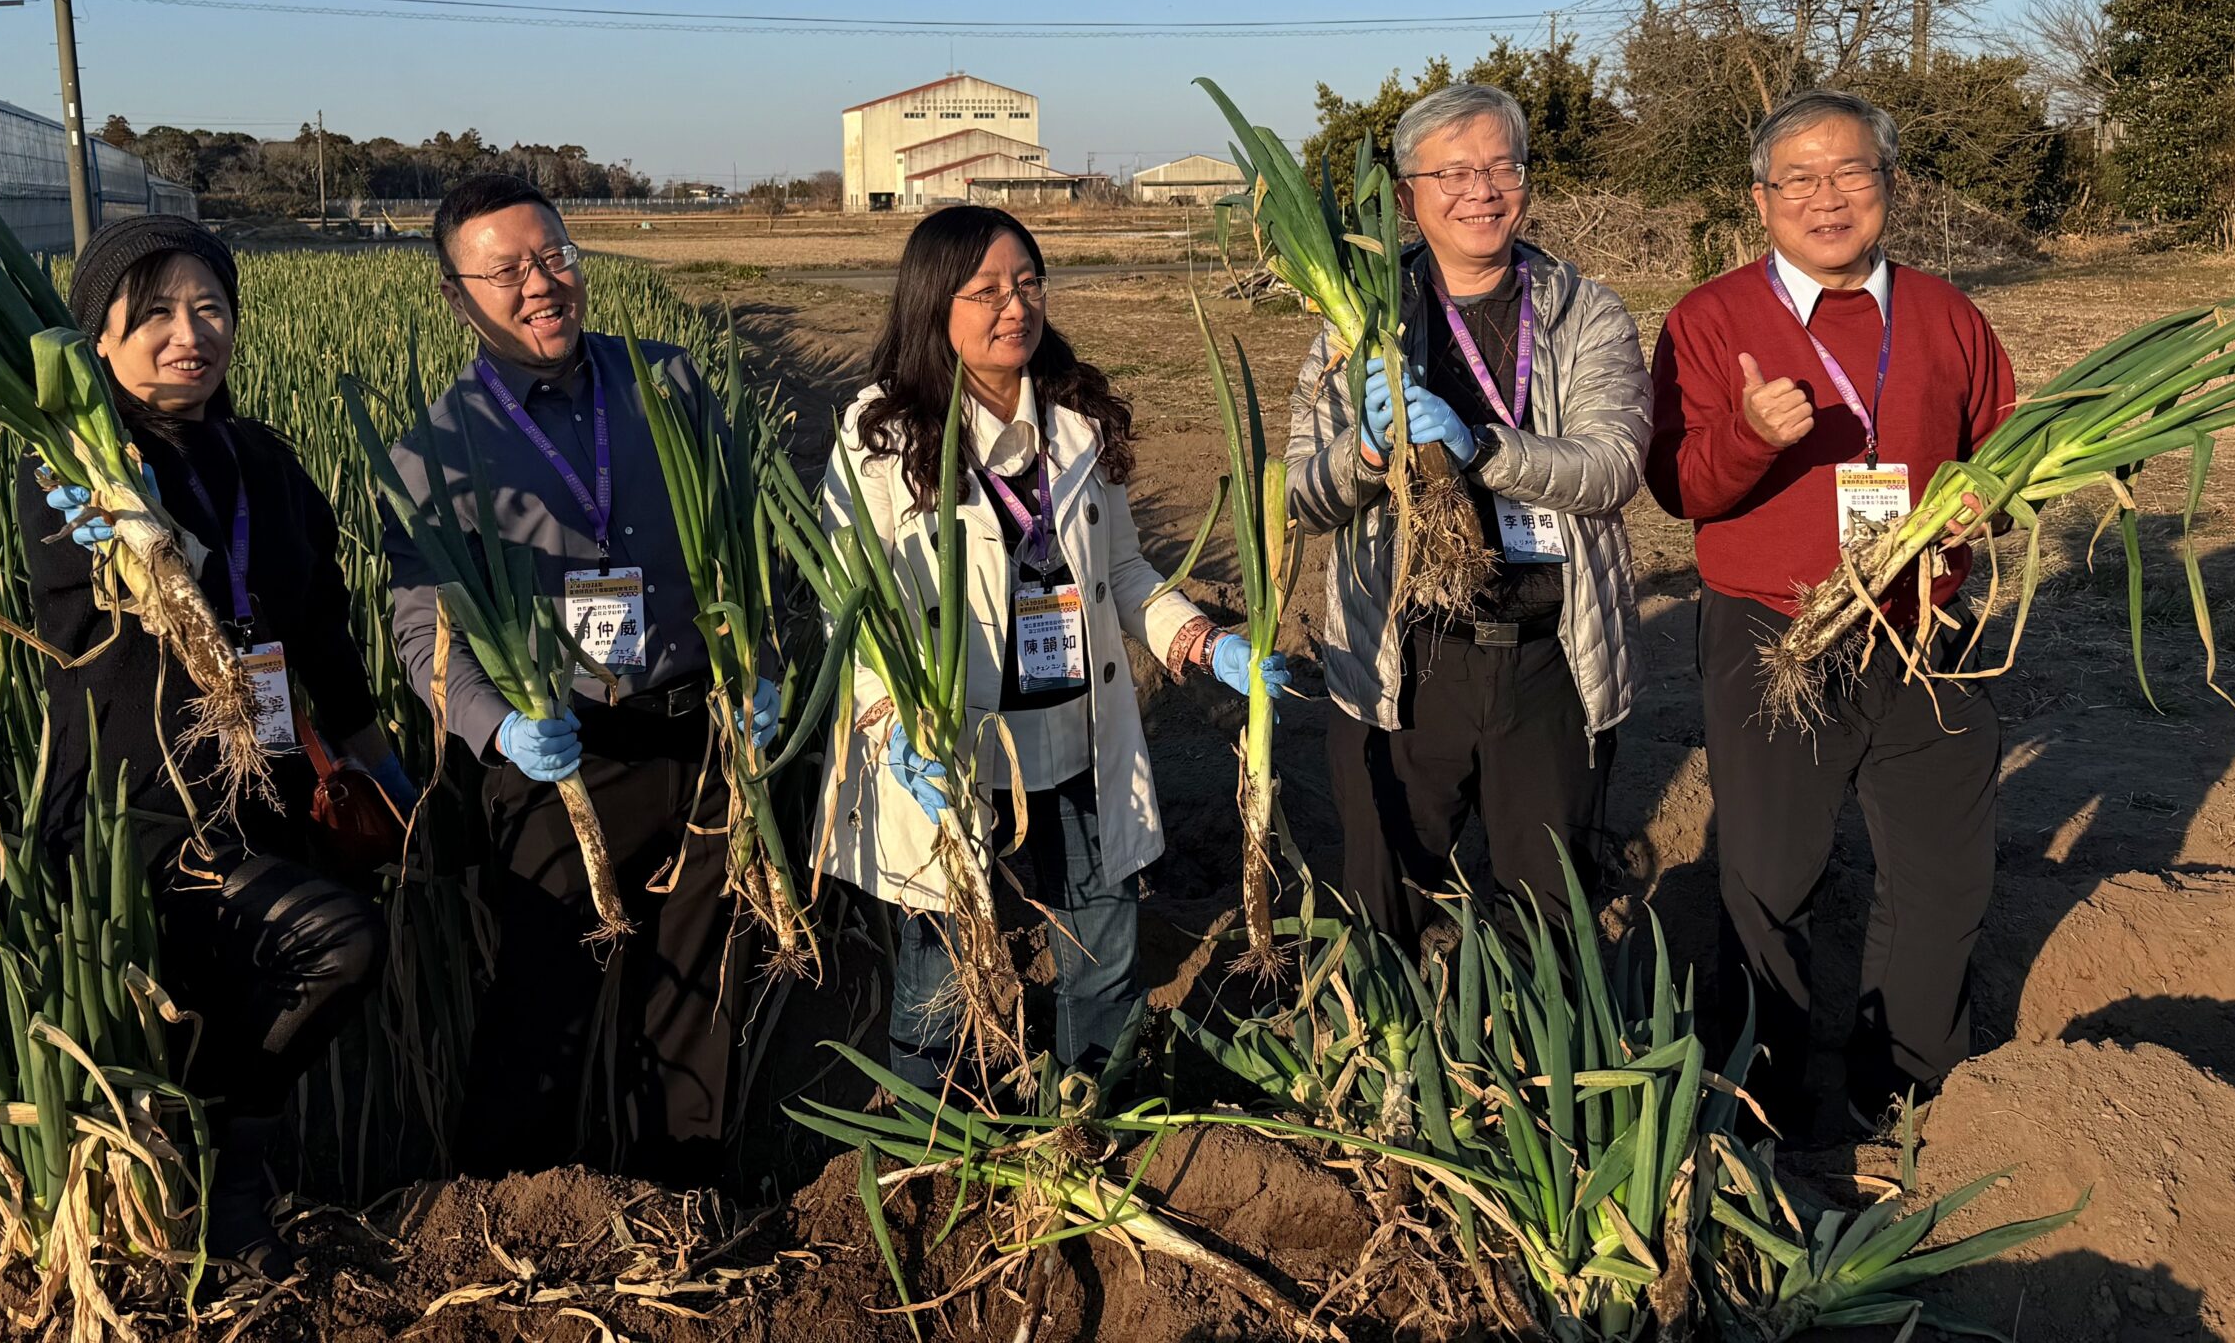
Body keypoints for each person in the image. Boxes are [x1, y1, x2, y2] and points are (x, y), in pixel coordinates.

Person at [817, 205, 1283, 1093]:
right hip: (947, 743)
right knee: (946, 961)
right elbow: (850, 599)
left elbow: (1125, 571)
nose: (1013, 305)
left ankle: (1085, 1107)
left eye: (1027, 283)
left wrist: (1202, 641)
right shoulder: (878, 435)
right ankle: (933, 1129)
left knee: (1103, 937)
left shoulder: (1076, 419)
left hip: (1073, 731)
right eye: (986, 289)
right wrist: (892, 716)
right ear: (932, 304)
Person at [16, 215, 406, 1270]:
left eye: (210, 307)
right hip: (143, 813)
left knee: (347, 929)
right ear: (95, 337)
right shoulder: (74, 477)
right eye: (152, 314)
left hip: (269, 793)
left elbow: (323, 635)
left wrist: (387, 772)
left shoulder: (264, 462)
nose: (190, 332)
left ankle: (238, 1180)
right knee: (335, 940)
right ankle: (227, 1175)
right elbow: (71, 614)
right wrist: (106, 536)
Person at [383, 173, 775, 1185]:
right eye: (505, 270)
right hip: (563, 757)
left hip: (699, 734)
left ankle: (681, 1198)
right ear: (455, 294)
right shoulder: (433, 451)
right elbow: (418, 619)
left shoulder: (669, 383)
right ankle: (512, 1215)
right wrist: (492, 727)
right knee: (544, 1000)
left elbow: (745, 546)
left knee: (699, 989)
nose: (541, 283)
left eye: (554, 256)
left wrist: (762, 667)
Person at [1647, 87, 2016, 1140]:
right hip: (1775, 631)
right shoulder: (1710, 319)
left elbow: (2003, 456)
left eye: (1850, 172)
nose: (1826, 196)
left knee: (1943, 876)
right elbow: (1677, 489)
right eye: (1797, 178)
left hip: (1926, 632)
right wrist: (1753, 436)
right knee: (1768, 879)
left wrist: (1989, 507)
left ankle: (1900, 1094)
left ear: (1889, 188)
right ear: (1759, 202)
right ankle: (1752, 1104)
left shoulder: (1946, 315)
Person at [1285, 83, 1649, 945]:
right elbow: (1301, 498)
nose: (1481, 190)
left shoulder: (1584, 311)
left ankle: (1536, 1070)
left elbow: (1613, 465)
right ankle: (1389, 1069)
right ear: (1406, 195)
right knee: (1386, 908)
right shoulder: (1356, 322)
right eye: (1453, 171)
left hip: (1548, 660)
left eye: (1501, 166)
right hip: (1406, 661)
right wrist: (1367, 457)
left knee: (1552, 919)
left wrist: (1481, 446)